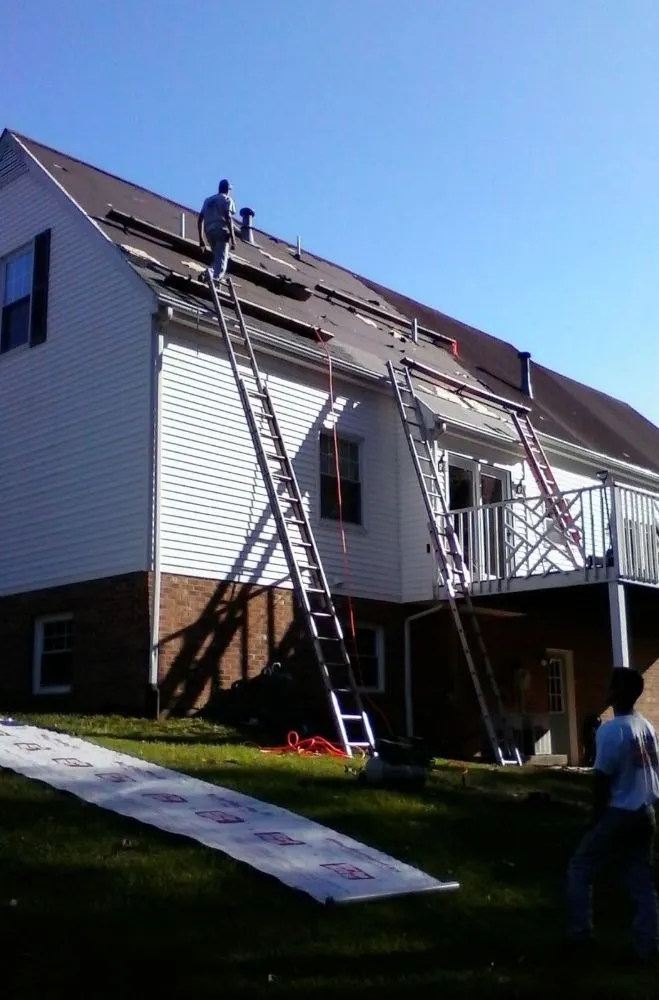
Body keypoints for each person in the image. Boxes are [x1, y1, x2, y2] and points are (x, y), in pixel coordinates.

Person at [566, 667, 659, 962]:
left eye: (609, 686)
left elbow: (602, 780)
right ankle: (648, 945)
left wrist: (594, 819)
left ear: (616, 693)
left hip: (619, 812)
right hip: (646, 812)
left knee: (580, 868)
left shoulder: (610, 730)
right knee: (642, 882)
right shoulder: (645, 726)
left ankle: (579, 935)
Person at [198, 179, 236, 281]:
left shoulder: (208, 200)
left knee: (217, 260)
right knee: (221, 266)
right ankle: (211, 278)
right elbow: (228, 218)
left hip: (209, 232)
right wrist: (233, 238)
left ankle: (211, 277)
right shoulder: (227, 199)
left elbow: (200, 219)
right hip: (221, 232)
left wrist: (201, 239)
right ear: (228, 190)